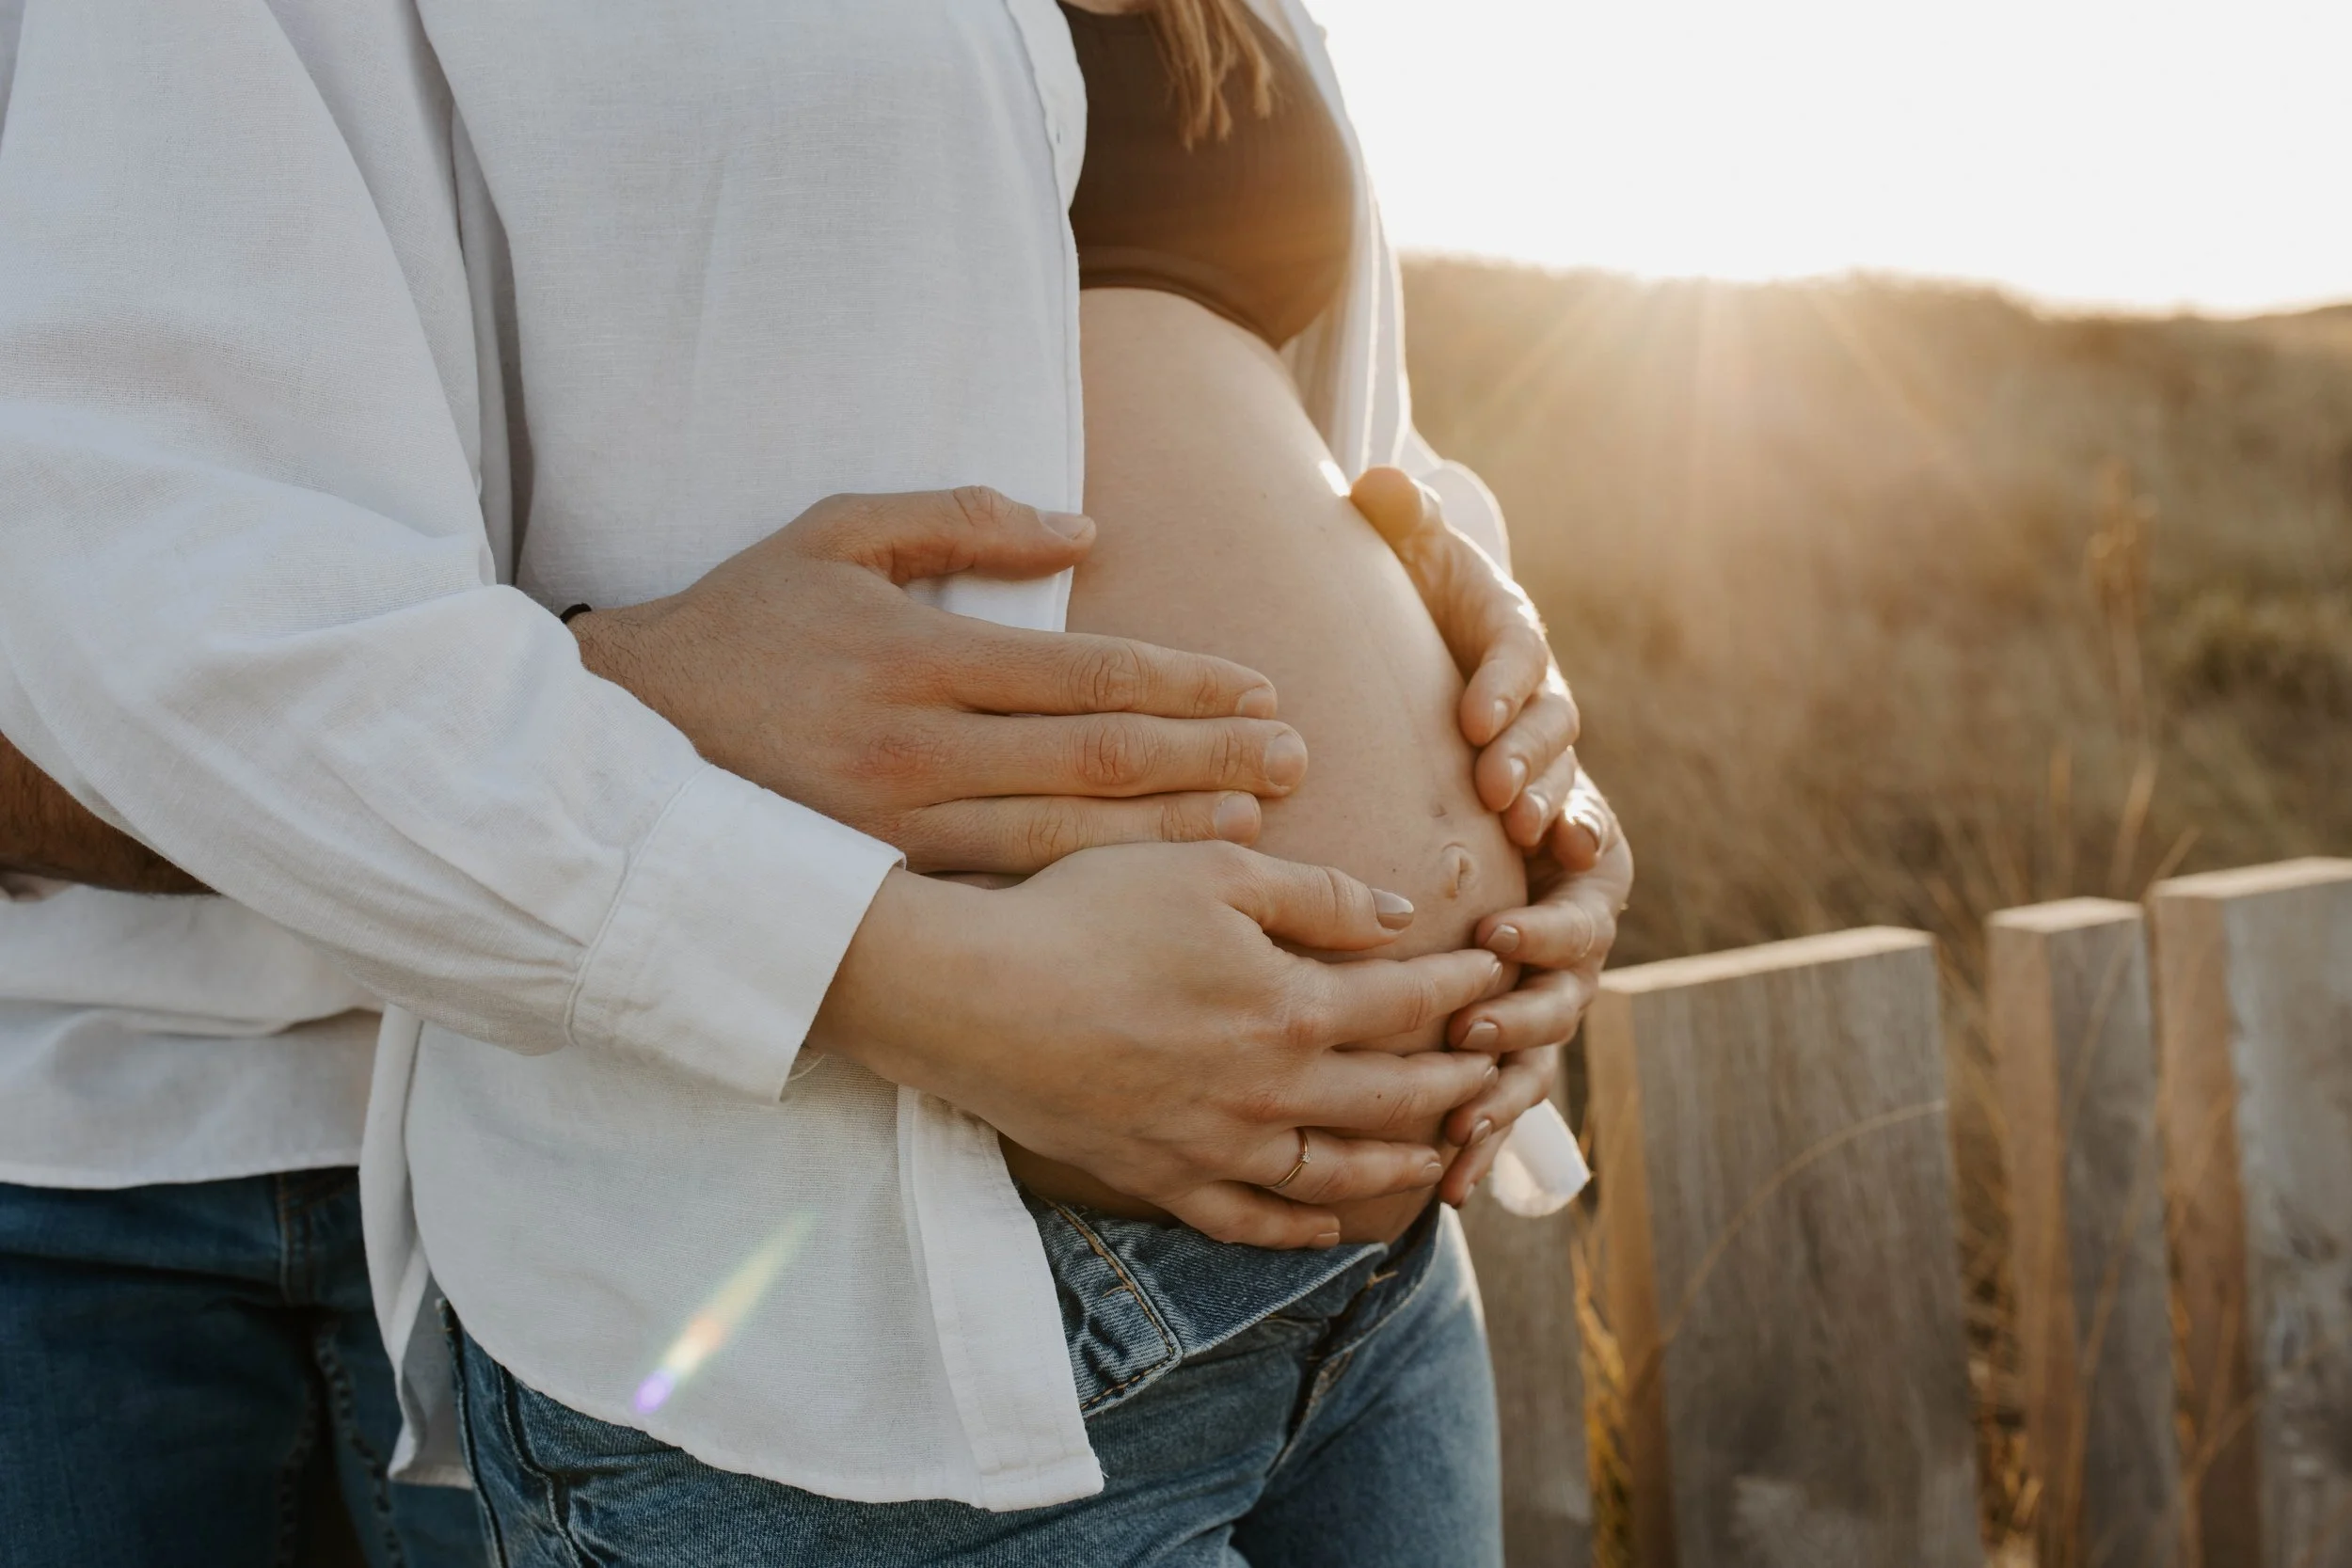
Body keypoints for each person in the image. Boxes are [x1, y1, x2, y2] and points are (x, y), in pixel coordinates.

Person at [0, 1, 1628, 1564]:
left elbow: (1297, 401)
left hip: (1376, 1280)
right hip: (865, 1343)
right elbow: (187, 597)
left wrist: (1501, 706)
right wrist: (901, 972)